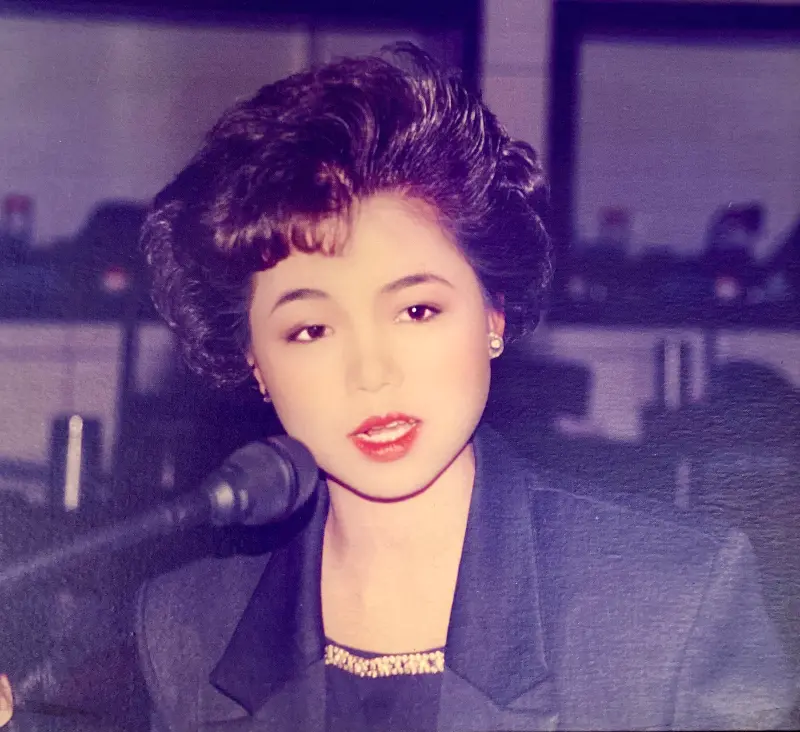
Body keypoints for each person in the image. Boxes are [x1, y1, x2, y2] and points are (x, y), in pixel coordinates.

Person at [4, 44, 796, 731]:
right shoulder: (186, 626)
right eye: (310, 330)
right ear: (255, 365)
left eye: (417, 310)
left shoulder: (672, 600)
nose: (371, 373)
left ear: (493, 314)